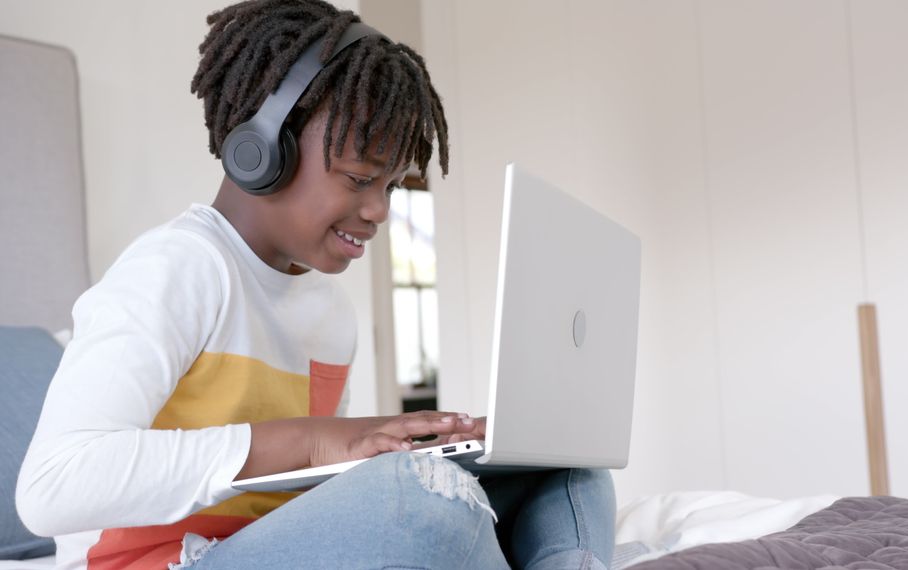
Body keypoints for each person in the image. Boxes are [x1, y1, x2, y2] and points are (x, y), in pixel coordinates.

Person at [15, 1, 616, 568]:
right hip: (158, 559)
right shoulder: (178, 267)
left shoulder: (332, 316)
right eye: (359, 178)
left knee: (565, 471)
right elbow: (51, 487)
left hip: (273, 547)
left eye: (391, 186)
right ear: (261, 149)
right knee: (416, 500)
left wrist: (389, 446)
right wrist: (314, 441)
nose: (380, 210)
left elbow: (305, 501)